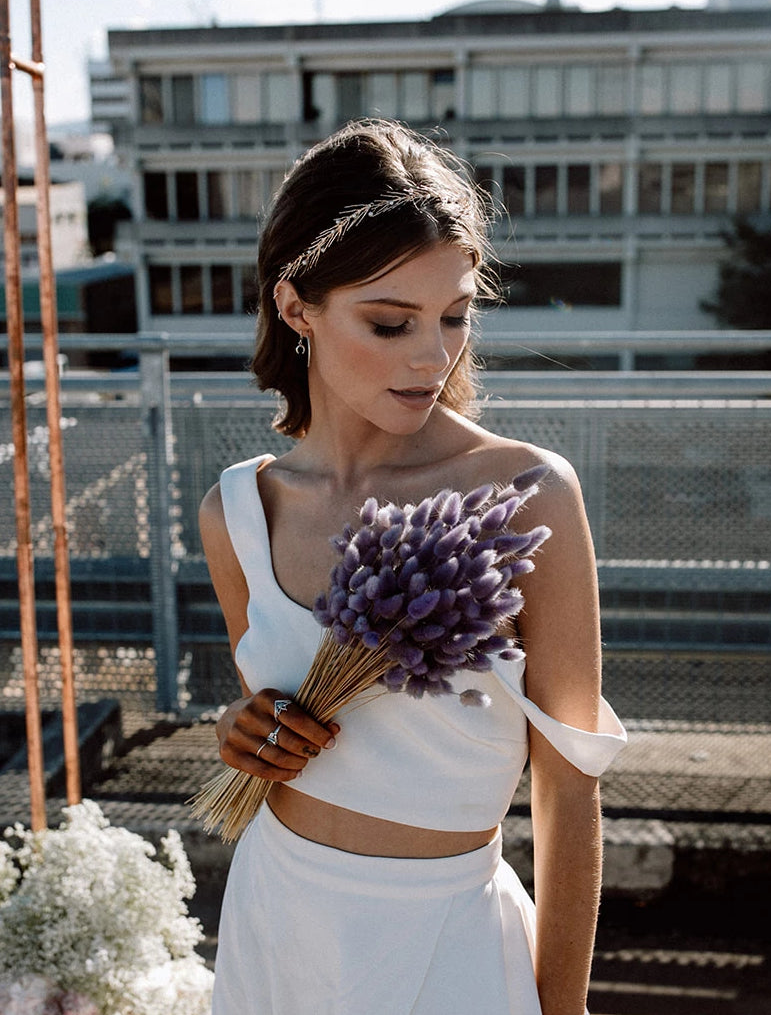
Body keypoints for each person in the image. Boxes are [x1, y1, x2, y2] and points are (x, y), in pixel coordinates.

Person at [199, 118, 627, 1015]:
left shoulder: (528, 496)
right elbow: (279, 714)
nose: (434, 356)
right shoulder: (237, 510)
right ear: (296, 307)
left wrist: (564, 1008)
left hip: (448, 941)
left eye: (455, 316)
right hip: (277, 917)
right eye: (391, 323)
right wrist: (244, 729)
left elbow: (568, 785)